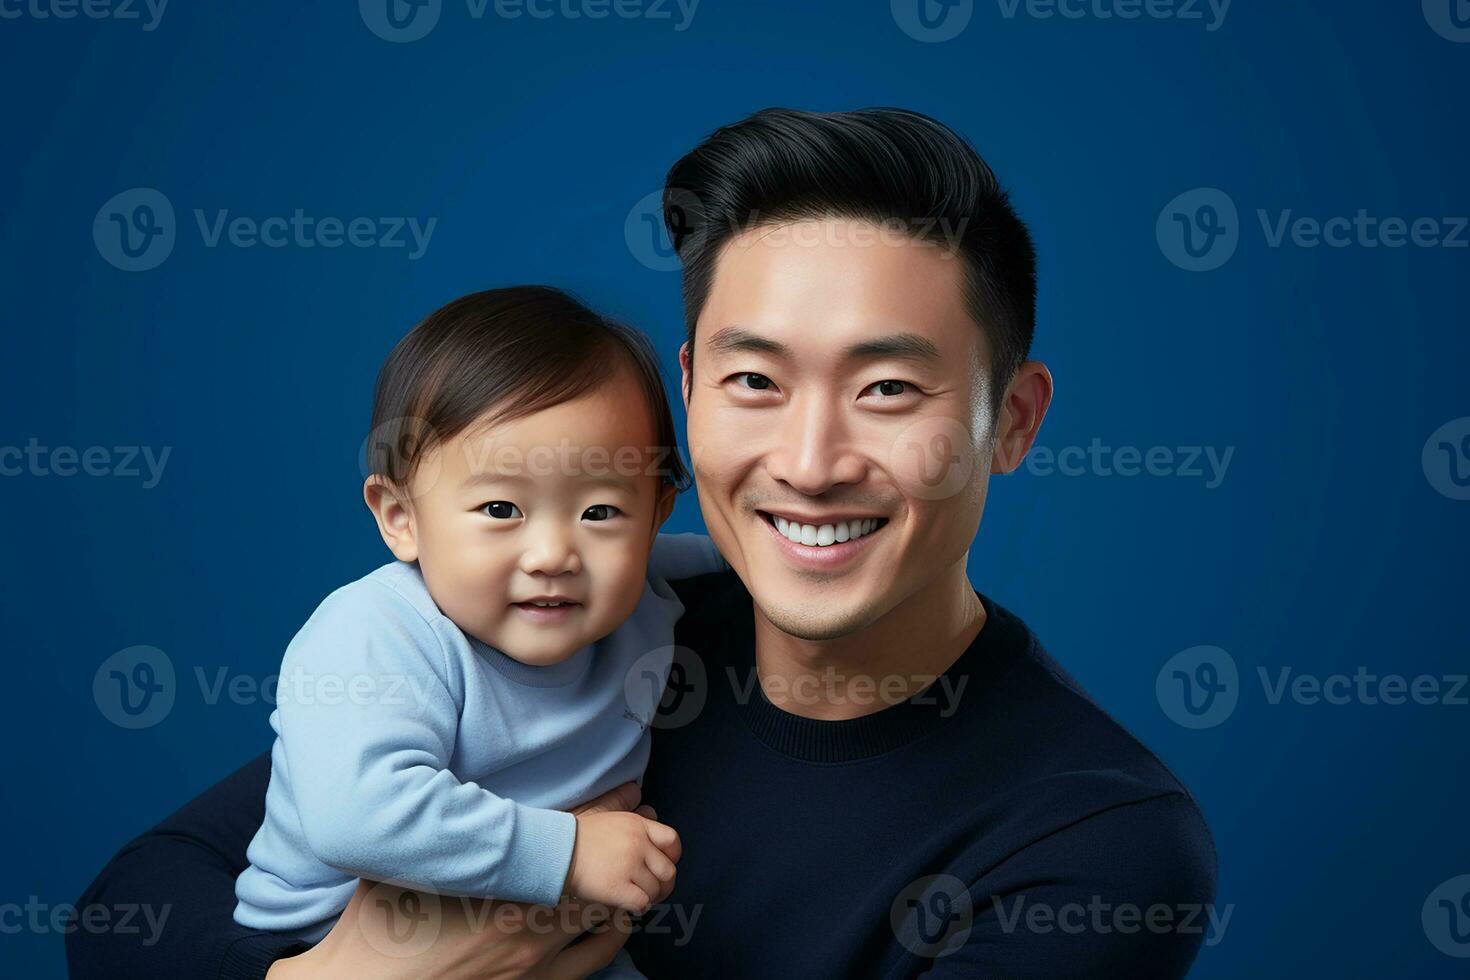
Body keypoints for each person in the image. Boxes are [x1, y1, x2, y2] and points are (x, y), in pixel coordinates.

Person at [68, 108, 1217, 980]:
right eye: (754, 380)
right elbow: (133, 908)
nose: (810, 458)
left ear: (1011, 418)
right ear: (688, 392)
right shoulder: (593, 617)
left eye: (885, 386)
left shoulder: (1090, 842)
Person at [239, 284, 725, 977]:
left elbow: (737, 560)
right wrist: (568, 853)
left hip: (549, 931)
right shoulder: (378, 633)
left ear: (654, 516)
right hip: (339, 941)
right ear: (400, 515)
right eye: (501, 508)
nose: (553, 553)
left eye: (600, 513)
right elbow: (356, 815)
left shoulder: (643, 583)